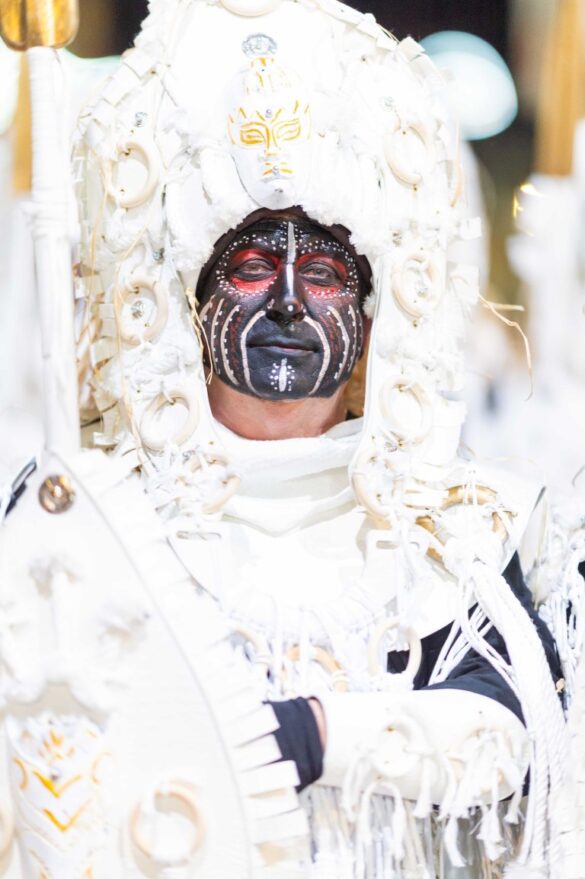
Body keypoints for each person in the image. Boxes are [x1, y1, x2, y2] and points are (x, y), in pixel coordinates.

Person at [68, 1, 566, 875]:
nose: (291, 303)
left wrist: (315, 733)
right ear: (191, 300)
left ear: (371, 313)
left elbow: (507, 732)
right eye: (253, 265)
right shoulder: (100, 516)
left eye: (329, 272)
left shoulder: (456, 526)